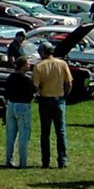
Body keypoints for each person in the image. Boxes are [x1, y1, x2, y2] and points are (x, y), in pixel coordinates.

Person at [32, 41, 72, 169]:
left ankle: (45, 161)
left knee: (45, 132)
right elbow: (69, 83)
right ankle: (62, 160)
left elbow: (35, 86)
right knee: (61, 131)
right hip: (59, 99)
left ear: (42, 52)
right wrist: (64, 96)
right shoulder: (62, 64)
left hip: (45, 101)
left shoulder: (39, 66)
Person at [4, 56, 35, 169]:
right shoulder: (26, 79)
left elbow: (6, 94)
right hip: (23, 106)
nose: (29, 65)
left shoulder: (10, 77)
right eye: (27, 64)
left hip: (11, 106)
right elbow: (30, 94)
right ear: (22, 66)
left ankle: (9, 160)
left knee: (10, 136)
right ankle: (22, 163)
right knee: (24, 135)